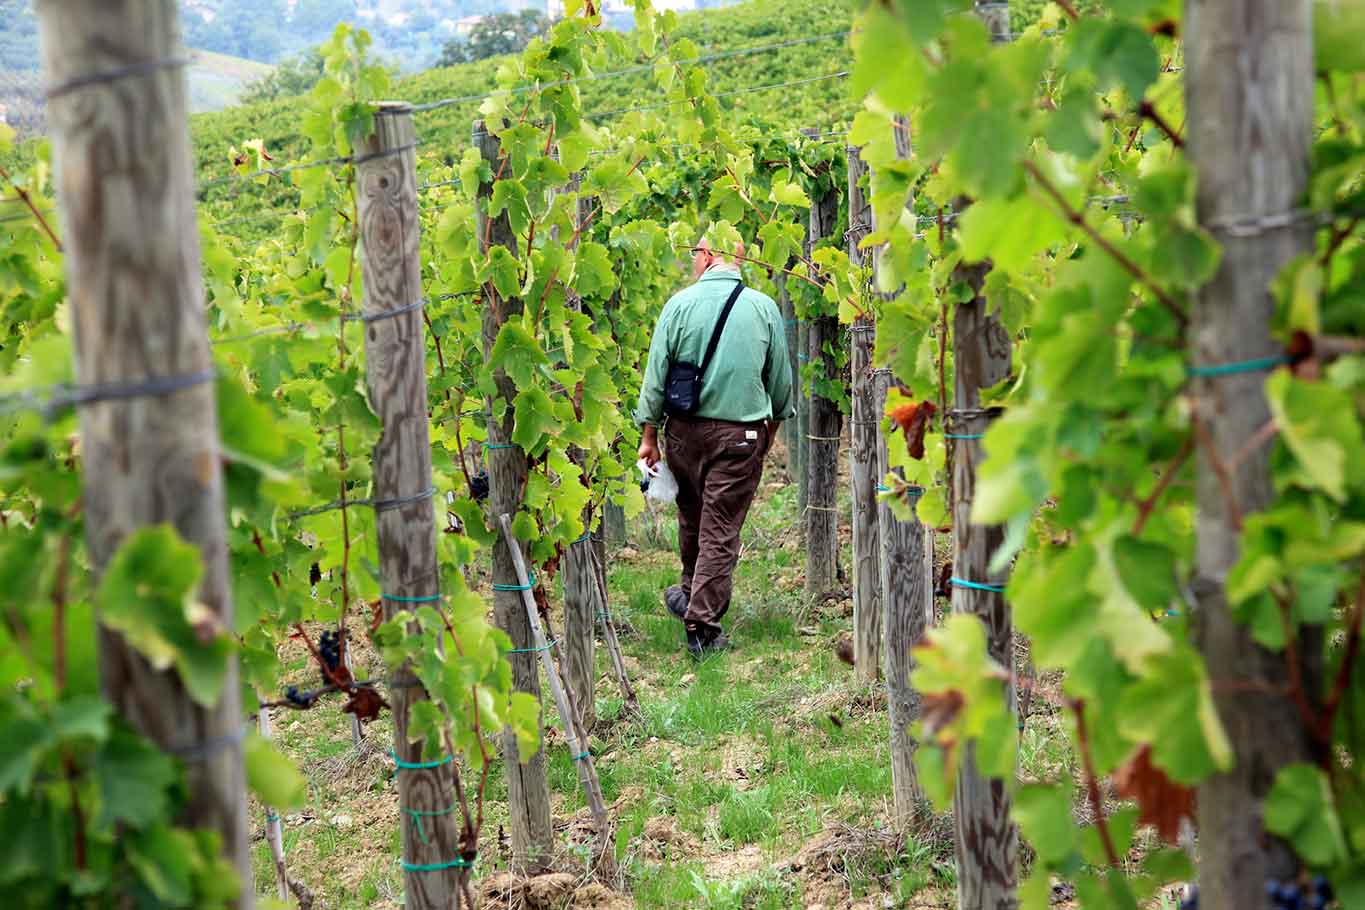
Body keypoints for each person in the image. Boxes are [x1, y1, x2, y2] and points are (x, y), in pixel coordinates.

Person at [635, 240, 795, 659]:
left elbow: (656, 376)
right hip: (739, 436)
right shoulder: (763, 308)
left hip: (683, 435)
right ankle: (701, 624)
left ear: (707, 256)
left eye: (694, 254)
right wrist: (769, 432)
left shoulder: (678, 305)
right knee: (720, 528)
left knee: (692, 517)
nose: (692, 262)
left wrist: (649, 437)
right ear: (737, 258)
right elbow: (780, 384)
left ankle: (692, 597)